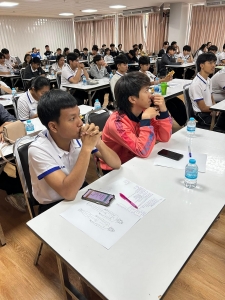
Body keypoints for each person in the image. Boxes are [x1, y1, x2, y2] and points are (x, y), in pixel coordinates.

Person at [28, 90, 121, 213]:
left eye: (79, 116)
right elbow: (68, 193)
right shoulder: (38, 149)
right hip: (54, 205)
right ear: (53, 127)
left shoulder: (75, 137)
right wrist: (87, 148)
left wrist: (98, 142)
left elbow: (116, 163)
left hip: (79, 189)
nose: (80, 123)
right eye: (72, 119)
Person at [100, 72, 172, 173]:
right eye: (146, 91)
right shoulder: (117, 123)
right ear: (133, 99)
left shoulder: (143, 111)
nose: (150, 95)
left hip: (136, 160)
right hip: (116, 169)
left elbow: (164, 137)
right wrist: (145, 120)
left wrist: (163, 111)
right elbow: (142, 151)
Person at [139, 56, 187, 126]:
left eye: (149, 64)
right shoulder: (139, 75)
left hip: (159, 92)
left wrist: (165, 79)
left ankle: (187, 120)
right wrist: (162, 80)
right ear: (141, 65)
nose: (148, 66)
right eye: (146, 65)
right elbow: (148, 83)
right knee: (170, 105)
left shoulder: (148, 73)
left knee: (179, 102)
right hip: (150, 97)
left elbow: (156, 79)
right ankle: (182, 122)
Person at [189, 53, 225, 131]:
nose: (213, 65)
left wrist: (215, 107)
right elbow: (203, 108)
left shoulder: (208, 79)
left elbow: (212, 97)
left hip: (210, 110)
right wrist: (215, 109)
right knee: (221, 127)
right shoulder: (196, 84)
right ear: (201, 65)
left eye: (214, 63)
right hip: (201, 115)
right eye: (210, 63)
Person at [0, 105, 26, 212]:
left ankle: (19, 192)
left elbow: (12, 120)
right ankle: (16, 192)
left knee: (21, 157)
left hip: (3, 147)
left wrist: (3, 130)